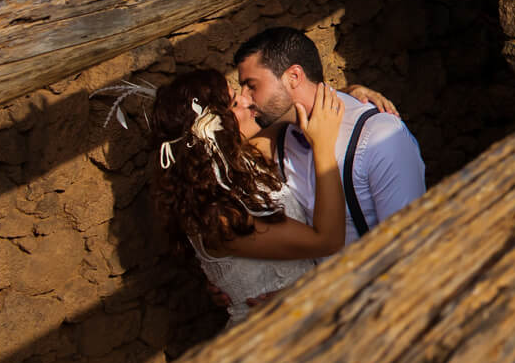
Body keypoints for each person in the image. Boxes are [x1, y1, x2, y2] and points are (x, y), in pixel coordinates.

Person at [148, 69, 348, 326]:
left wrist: (354, 97)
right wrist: (323, 147)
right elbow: (328, 241)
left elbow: (290, 107)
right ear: (207, 130)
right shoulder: (218, 216)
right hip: (273, 340)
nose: (246, 100)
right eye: (234, 103)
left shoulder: (245, 159)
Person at [234, 26, 425, 244]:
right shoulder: (279, 136)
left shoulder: (380, 137)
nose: (245, 98)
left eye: (251, 86)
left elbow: (408, 241)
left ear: (294, 76)